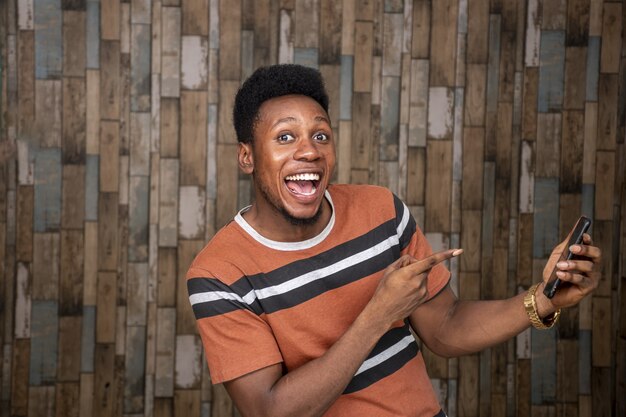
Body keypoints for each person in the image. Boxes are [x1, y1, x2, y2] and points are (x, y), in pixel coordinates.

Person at [186, 64, 601, 417]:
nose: (309, 151)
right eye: (284, 137)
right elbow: (269, 409)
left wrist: (542, 300)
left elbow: (445, 329)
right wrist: (378, 314)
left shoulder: (382, 211)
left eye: (321, 135)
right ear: (247, 157)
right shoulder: (218, 273)